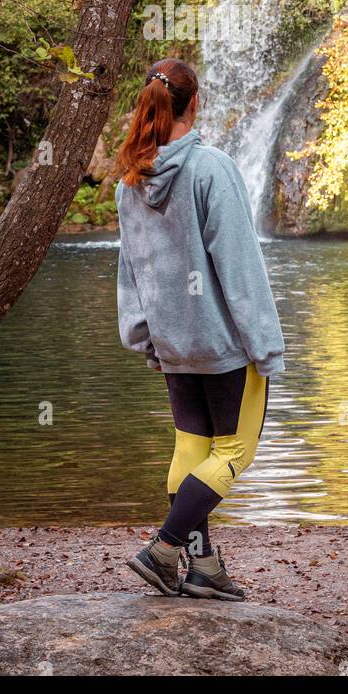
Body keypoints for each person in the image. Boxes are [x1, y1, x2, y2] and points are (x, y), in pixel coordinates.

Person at [114, 57, 285, 600]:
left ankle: (204, 566)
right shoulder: (211, 168)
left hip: (172, 342)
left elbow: (131, 267)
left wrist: (142, 335)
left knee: (191, 448)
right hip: (223, 344)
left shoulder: (130, 179)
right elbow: (240, 266)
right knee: (236, 451)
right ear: (194, 104)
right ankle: (165, 550)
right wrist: (265, 344)